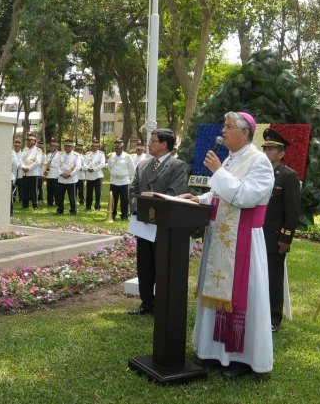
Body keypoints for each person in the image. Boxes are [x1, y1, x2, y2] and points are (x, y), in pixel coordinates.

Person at [179, 111, 274, 379]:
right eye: (225, 125)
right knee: (216, 291)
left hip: (244, 242)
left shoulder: (259, 162)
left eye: (229, 126)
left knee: (245, 296)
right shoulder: (231, 159)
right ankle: (215, 351)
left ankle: (240, 359)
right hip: (222, 237)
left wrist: (217, 172)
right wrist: (199, 199)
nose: (224, 130)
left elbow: (245, 196)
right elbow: (220, 193)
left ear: (245, 133)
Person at [128, 128, 188, 315]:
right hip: (143, 223)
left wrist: (152, 212)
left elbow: (173, 193)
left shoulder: (178, 166)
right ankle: (146, 304)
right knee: (144, 265)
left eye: (153, 141)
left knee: (162, 265)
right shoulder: (143, 165)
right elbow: (133, 190)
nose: (149, 144)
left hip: (162, 224)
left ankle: (162, 305)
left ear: (164, 144)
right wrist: (138, 209)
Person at [261, 127, 301, 333]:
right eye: (265, 148)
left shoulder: (287, 176)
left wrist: (286, 238)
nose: (266, 152)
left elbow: (292, 211)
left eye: (271, 149)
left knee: (273, 279)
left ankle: (273, 319)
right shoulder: (259, 174)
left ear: (281, 154)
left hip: (274, 238)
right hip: (257, 234)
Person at [107, 138, 135, 220]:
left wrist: (126, 177)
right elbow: (109, 167)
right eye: (115, 148)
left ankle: (124, 215)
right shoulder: (111, 156)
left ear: (122, 148)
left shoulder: (127, 157)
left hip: (124, 181)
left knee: (124, 199)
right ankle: (112, 214)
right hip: (114, 181)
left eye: (118, 148)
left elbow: (132, 170)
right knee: (113, 199)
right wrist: (114, 174)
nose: (117, 150)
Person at [54, 137, 80, 215]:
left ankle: (73, 210)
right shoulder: (60, 154)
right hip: (61, 178)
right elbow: (56, 165)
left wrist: (70, 174)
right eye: (66, 146)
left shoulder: (76, 155)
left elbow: (78, 166)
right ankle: (60, 209)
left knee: (72, 196)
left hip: (71, 178)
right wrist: (61, 173)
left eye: (69, 146)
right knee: (60, 195)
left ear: (72, 147)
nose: (67, 148)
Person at [20, 133, 42, 209]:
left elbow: (38, 162)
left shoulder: (38, 150)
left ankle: (35, 205)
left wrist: (28, 168)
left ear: (34, 141)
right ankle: (25, 205)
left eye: (29, 140)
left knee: (33, 190)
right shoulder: (25, 150)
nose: (28, 142)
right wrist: (23, 167)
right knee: (25, 190)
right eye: (28, 140)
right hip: (25, 173)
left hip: (33, 173)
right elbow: (20, 159)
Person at [85, 136, 107, 210]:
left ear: (98, 147)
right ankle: (88, 206)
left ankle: (97, 206)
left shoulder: (101, 154)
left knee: (98, 192)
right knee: (89, 192)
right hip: (89, 175)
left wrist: (94, 169)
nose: (94, 147)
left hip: (98, 175)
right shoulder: (87, 154)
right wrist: (88, 168)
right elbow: (84, 163)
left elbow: (102, 164)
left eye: (95, 146)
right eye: (92, 146)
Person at [44, 139, 60, 206]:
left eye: (53, 146)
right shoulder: (48, 155)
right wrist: (45, 174)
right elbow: (46, 164)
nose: (51, 147)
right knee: (49, 189)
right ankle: (49, 202)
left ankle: (57, 202)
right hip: (49, 174)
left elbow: (58, 164)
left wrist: (50, 164)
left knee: (56, 190)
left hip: (55, 174)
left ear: (56, 147)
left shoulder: (59, 154)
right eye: (51, 146)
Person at [10, 139, 23, 216]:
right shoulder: (12, 152)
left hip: (19, 173)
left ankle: (21, 199)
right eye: (15, 146)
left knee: (20, 188)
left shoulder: (22, 153)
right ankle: (10, 211)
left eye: (18, 146)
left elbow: (20, 163)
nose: (16, 147)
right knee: (11, 192)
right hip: (12, 173)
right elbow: (15, 164)